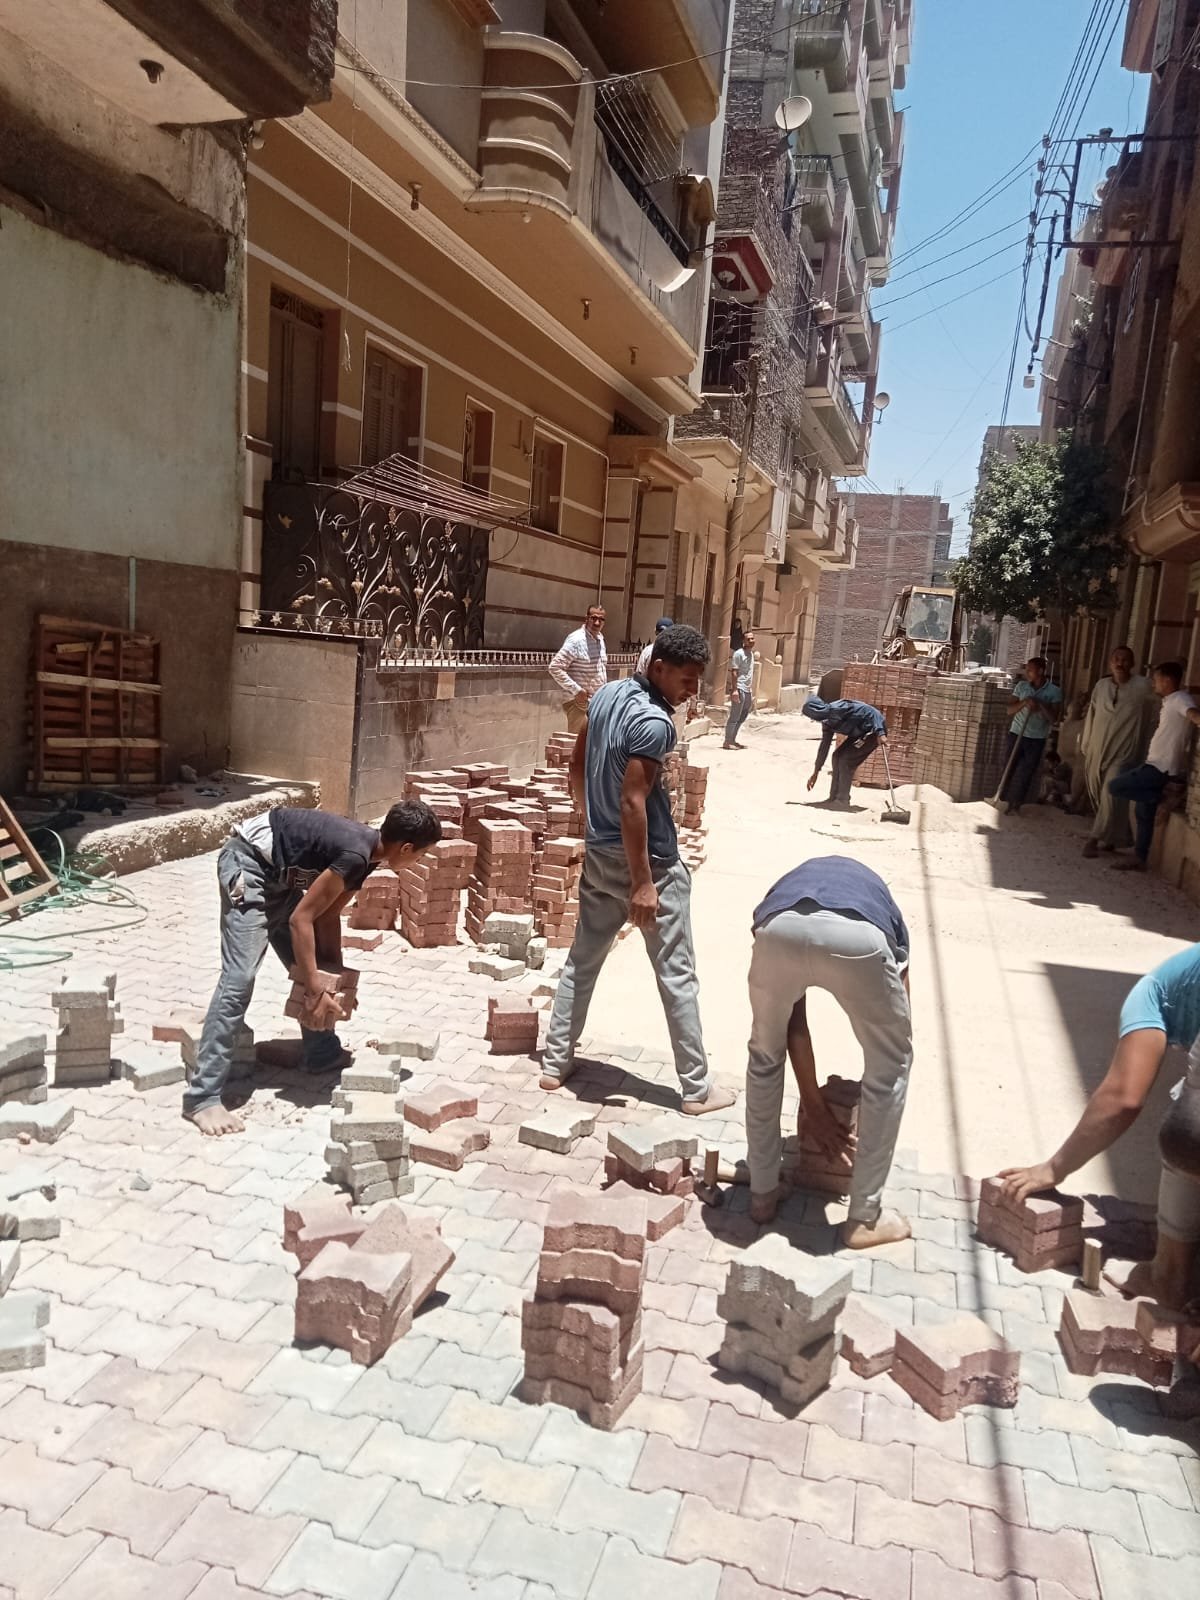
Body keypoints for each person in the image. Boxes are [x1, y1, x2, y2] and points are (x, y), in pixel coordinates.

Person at [540, 624, 735, 1116]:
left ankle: (555, 1062)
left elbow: (578, 763)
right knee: (677, 975)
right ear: (659, 668)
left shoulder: (605, 695)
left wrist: (589, 816)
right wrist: (645, 882)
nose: (692, 690)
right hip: (650, 865)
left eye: (698, 680)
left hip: (601, 856)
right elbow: (633, 802)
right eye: (686, 680)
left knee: (582, 960)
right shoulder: (654, 722)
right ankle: (697, 1090)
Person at [188, 801, 441, 1136]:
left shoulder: (367, 858)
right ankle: (202, 1098)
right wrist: (314, 988)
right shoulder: (355, 854)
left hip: (278, 880)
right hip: (247, 865)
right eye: (421, 854)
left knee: (315, 968)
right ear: (406, 848)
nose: (418, 861)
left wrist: (337, 981)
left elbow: (327, 917)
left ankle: (321, 1053)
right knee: (240, 978)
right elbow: (301, 920)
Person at [999, 943, 1200, 1309]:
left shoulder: (1148, 996)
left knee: (1188, 1129)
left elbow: (1123, 1098)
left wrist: (1054, 1168)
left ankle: (1168, 1278)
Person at [744, 856, 913, 1249]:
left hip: (777, 930)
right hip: (860, 937)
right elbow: (900, 1018)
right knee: (891, 1064)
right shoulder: (885, 907)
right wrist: (816, 1106)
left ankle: (762, 1194)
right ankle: (864, 1218)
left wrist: (815, 1104)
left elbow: (793, 1024)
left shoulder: (783, 889)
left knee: (765, 1056)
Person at [1108, 661, 1200, 873]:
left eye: (1156, 679)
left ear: (1167, 680)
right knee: (1143, 815)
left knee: (1116, 786)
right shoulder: (1171, 700)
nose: (1153, 683)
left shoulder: (1180, 699)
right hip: (1156, 763)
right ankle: (1140, 858)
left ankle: (1158, 798)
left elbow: (1193, 714)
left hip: (1160, 767)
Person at [1080, 647, 1155, 858]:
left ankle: (1093, 838)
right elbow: (1092, 714)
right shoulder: (1101, 686)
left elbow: (1156, 713)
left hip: (1125, 750)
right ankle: (1118, 837)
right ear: (1110, 662)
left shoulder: (1143, 686)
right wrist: (1086, 744)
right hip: (1097, 748)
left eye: (1125, 660)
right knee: (1099, 792)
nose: (1120, 663)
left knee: (1111, 789)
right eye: (1116, 659)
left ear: (1133, 663)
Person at [999, 657, 1062, 816]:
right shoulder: (1021, 687)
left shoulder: (1054, 691)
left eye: (1030, 670)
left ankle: (1016, 804)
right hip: (1016, 733)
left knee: (1026, 772)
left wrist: (1040, 704)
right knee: (1008, 767)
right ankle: (1001, 799)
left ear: (1040, 671)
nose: (1027, 673)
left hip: (1036, 738)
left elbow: (1054, 718)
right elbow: (1009, 710)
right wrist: (1024, 702)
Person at [802, 695, 888, 806]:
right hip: (859, 735)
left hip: (872, 732)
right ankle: (833, 798)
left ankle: (842, 799)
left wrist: (881, 732)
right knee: (836, 756)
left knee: (845, 759)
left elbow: (872, 712)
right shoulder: (826, 722)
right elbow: (824, 747)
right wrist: (816, 772)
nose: (813, 719)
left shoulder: (839, 707)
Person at [549, 604, 608, 734]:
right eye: (594, 618)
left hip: (596, 703)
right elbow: (555, 667)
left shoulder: (600, 639)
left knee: (592, 743)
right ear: (586, 618)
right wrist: (577, 691)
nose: (597, 623)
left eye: (601, 619)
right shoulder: (576, 640)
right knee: (576, 743)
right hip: (579, 704)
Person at [724, 630, 756, 750]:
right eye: (748, 639)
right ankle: (727, 741)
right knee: (735, 716)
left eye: (752, 638)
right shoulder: (739, 654)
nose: (751, 641)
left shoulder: (751, 654)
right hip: (740, 688)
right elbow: (734, 672)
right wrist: (735, 690)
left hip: (747, 690)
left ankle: (733, 739)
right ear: (743, 641)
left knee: (743, 716)